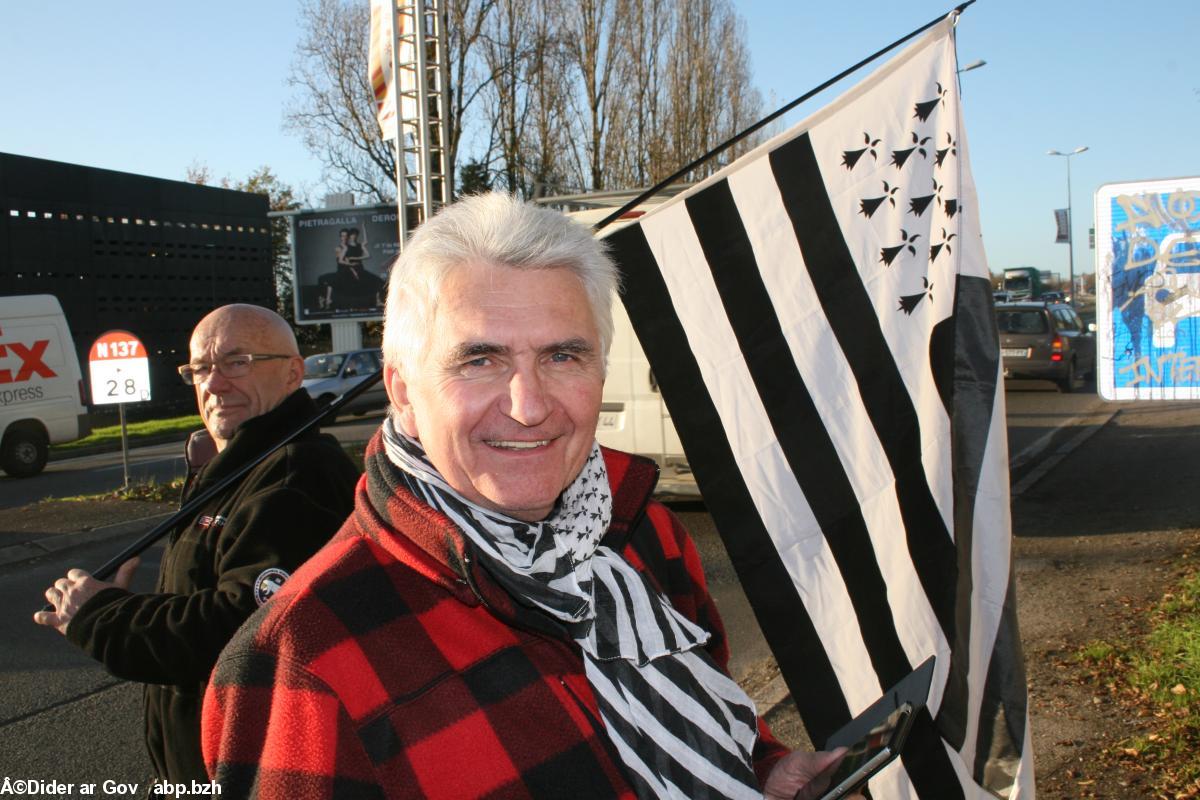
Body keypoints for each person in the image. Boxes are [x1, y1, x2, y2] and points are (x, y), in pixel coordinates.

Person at [201, 196, 852, 799]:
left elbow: (699, 719)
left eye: (563, 356)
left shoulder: (646, 535)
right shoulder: (307, 653)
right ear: (401, 390)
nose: (529, 406)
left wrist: (763, 773)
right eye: (479, 360)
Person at [34, 304, 361, 788]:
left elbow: (243, 631)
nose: (213, 384)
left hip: (259, 776)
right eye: (201, 368)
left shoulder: (295, 476)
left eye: (237, 362)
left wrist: (105, 618)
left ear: (293, 373)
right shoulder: (238, 469)